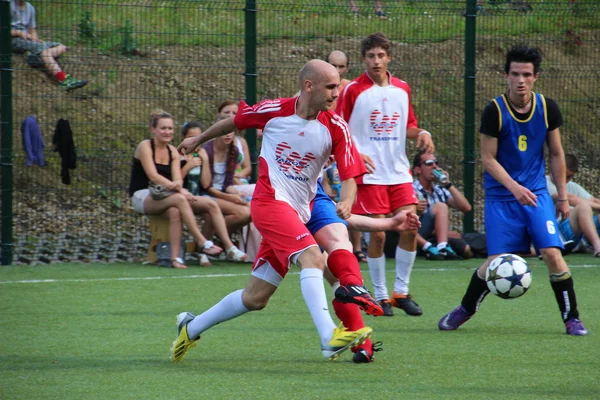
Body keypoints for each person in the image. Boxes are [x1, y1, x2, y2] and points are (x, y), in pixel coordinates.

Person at [172, 59, 381, 362]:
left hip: (300, 211)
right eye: (331, 86)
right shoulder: (274, 111)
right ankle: (328, 337)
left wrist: (347, 200)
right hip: (270, 203)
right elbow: (236, 121)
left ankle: (190, 327)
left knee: (255, 298)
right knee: (312, 257)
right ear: (309, 86)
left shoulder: (336, 127)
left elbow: (350, 176)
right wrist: (198, 139)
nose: (337, 93)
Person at [438, 45, 588, 336]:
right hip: (502, 197)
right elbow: (488, 158)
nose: (521, 80)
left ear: (536, 77)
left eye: (527, 75)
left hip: (535, 195)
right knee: (495, 262)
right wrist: (514, 187)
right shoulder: (494, 111)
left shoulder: (547, 108)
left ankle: (572, 318)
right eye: (515, 74)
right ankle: (465, 309)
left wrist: (561, 195)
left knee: (552, 254)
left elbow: (556, 154)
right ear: (506, 75)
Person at [336, 32, 435, 317]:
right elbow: (339, 128)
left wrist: (424, 133)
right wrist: (355, 153)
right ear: (363, 59)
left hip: (398, 172)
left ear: (389, 57)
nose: (376, 61)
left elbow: (409, 125)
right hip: (369, 175)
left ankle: (401, 292)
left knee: (411, 225)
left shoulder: (402, 88)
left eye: (380, 56)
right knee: (378, 235)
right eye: (370, 56)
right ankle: (380, 296)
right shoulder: (353, 90)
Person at [308, 178, 421, 363]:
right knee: (256, 296)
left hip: (303, 220)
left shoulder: (312, 179)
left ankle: (358, 338)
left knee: (256, 298)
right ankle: (332, 336)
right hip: (279, 222)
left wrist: (391, 223)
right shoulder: (291, 171)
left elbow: (335, 216)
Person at [128, 111, 223, 269]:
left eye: (170, 128)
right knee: (180, 199)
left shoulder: (172, 150)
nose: (167, 132)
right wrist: (179, 190)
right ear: (153, 129)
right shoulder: (145, 146)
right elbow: (154, 177)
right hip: (142, 195)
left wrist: (178, 187)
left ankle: (175, 259)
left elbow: (178, 178)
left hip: (164, 195)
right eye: (163, 128)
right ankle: (202, 241)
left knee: (175, 211)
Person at [179, 121, 248, 264]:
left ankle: (207, 247)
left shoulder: (226, 152)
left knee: (247, 210)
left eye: (198, 137)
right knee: (212, 207)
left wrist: (235, 194)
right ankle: (227, 246)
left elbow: (219, 182)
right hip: (194, 195)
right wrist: (189, 166)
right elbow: (204, 185)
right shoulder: (182, 155)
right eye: (192, 137)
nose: (196, 141)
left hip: (204, 197)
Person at [10, 0, 87, 91]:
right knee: (44, 50)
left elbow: (32, 30)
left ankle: (36, 57)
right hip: (12, 40)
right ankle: (63, 79)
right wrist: (18, 33)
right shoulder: (7, 5)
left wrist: (35, 39)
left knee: (62, 47)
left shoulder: (30, 8)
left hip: (27, 40)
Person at [412, 150, 473, 260]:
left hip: (435, 237)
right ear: (418, 169)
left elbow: (466, 207)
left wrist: (448, 184)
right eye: (429, 163)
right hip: (415, 234)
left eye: (436, 163)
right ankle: (442, 247)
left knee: (466, 249)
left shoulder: (440, 190)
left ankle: (441, 247)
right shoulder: (411, 189)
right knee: (441, 206)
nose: (434, 166)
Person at [199, 118, 252, 236]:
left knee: (253, 209)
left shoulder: (234, 151)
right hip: (206, 194)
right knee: (242, 213)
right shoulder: (207, 151)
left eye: (231, 131)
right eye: (224, 131)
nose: (228, 135)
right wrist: (230, 197)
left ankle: (218, 238)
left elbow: (227, 184)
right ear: (216, 132)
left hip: (222, 194)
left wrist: (238, 194)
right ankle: (214, 237)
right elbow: (206, 186)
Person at [545, 154, 600, 257]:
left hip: (579, 232)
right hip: (558, 232)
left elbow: (593, 200)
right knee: (583, 207)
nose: (566, 179)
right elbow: (570, 199)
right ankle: (597, 246)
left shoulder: (572, 186)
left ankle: (585, 244)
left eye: (570, 176)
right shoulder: (544, 183)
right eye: (564, 174)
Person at [217, 101, 253, 186]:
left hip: (240, 180)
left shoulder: (241, 142)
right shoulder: (212, 142)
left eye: (234, 113)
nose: (230, 115)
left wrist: (238, 175)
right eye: (226, 112)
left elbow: (247, 168)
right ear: (218, 114)